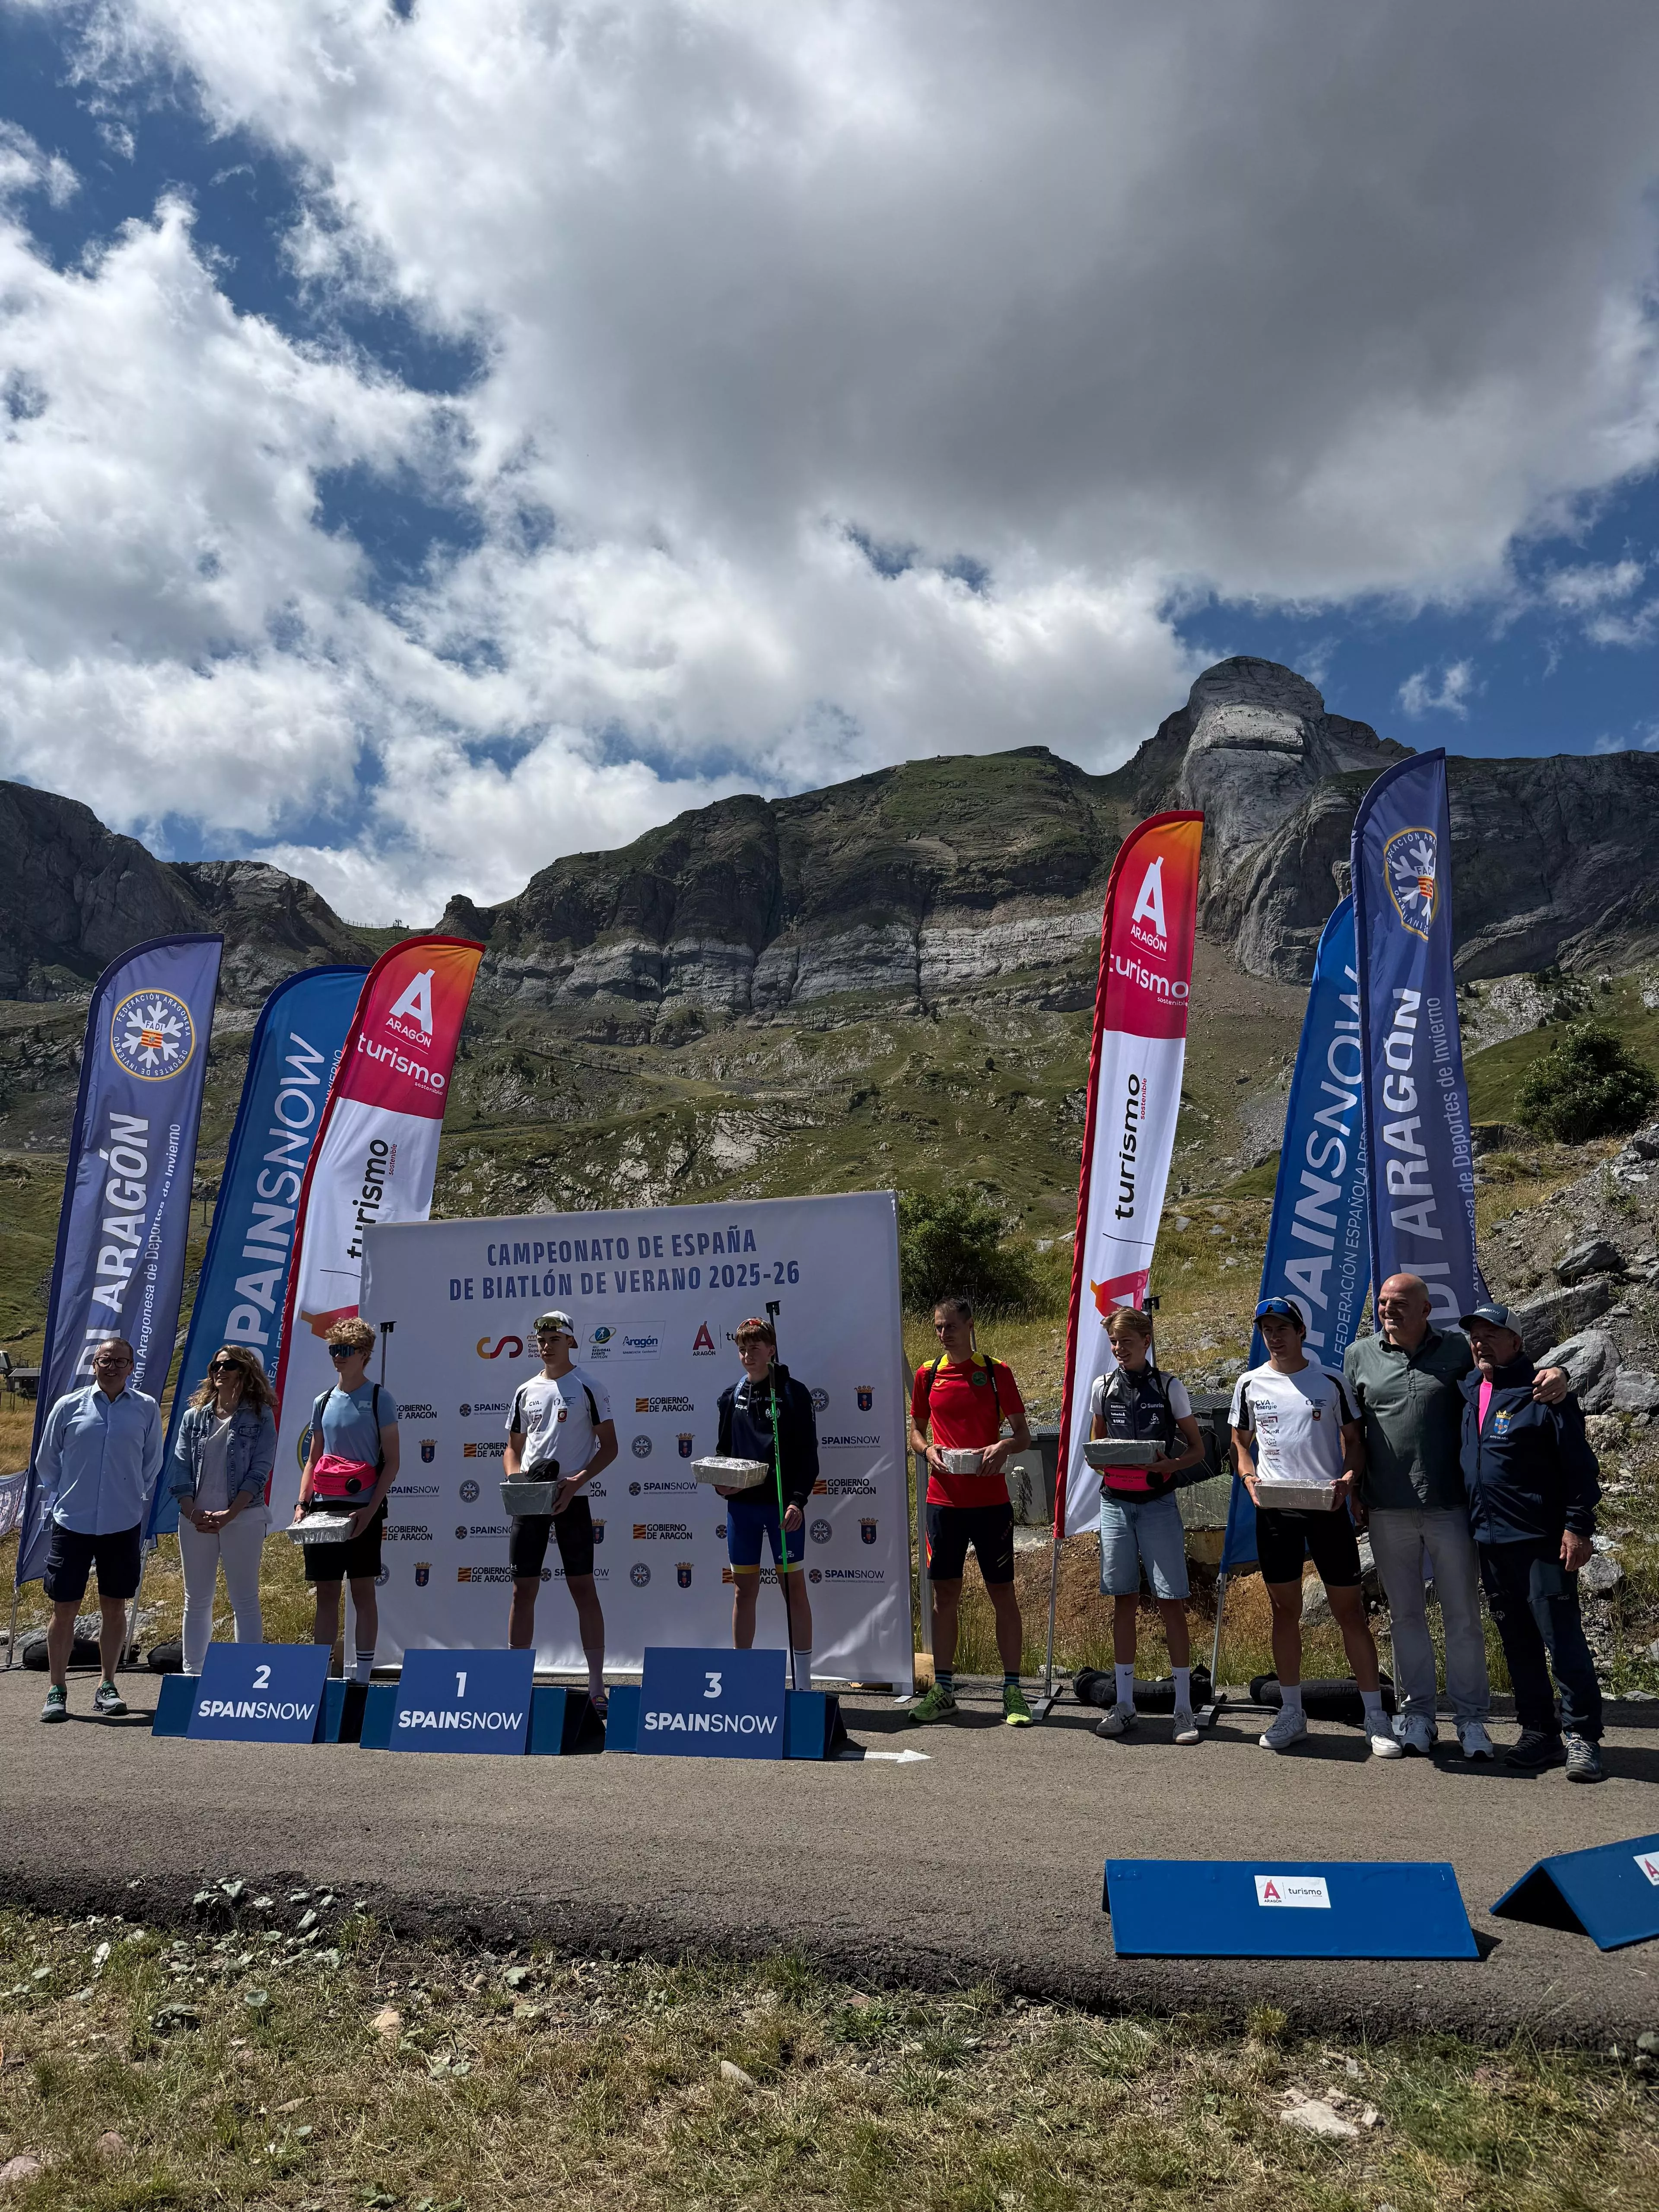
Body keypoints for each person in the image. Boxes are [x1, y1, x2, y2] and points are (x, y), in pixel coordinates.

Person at [1345, 1272, 1567, 1761]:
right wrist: (1352, 1485)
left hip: (1452, 1507)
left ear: (1426, 1309)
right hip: (1387, 1508)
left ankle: (1471, 1719)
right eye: (1383, 1302)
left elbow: (1503, 1373)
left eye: (1401, 1303)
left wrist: (1558, 1373)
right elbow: (1355, 1430)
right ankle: (1419, 1713)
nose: (1389, 1310)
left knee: (1463, 1616)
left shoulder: (1456, 1349)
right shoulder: (1358, 1355)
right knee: (1405, 1616)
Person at [1230, 1297, 1400, 1759]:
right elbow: (1239, 1442)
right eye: (1267, 1328)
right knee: (1284, 1610)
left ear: (1301, 1331)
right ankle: (1291, 1710)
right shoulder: (1249, 1383)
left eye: (1283, 1326)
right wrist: (1248, 1477)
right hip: (1276, 1508)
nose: (1275, 1335)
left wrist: (1349, 1478)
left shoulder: (1330, 1379)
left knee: (1350, 1611)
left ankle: (1375, 1715)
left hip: (1327, 1506)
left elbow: (1355, 1441)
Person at [1459, 1302, 1605, 1781]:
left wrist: (1578, 1524)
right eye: (1476, 1335)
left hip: (1542, 1540)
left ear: (1516, 1342)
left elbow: (1579, 1465)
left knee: (1561, 1640)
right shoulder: (1472, 1388)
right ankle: (1539, 1730)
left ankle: (1582, 1736)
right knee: (1518, 1643)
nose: (1482, 1342)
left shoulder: (1544, 1393)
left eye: (1492, 1334)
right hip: (1491, 1539)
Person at [907, 1295, 1035, 1727]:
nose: (944, 1334)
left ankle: (1013, 1689)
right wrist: (927, 1451)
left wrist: (1002, 1445)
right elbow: (916, 1431)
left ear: (970, 1325)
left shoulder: (995, 1371)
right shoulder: (928, 1373)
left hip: (990, 1501)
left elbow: (1023, 1435)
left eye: (951, 1327)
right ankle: (943, 1690)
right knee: (945, 1596)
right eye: (938, 1327)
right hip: (943, 1501)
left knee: (1003, 1592)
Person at [1086, 1306, 1208, 1745]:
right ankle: (1123, 1704)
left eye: (1127, 1342)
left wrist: (1168, 1466)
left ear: (1146, 1340)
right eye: (1114, 1343)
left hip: (1158, 1503)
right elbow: (1097, 1444)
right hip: (1116, 1503)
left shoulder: (1169, 1386)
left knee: (1171, 1600)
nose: (1120, 1349)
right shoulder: (1103, 1387)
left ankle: (1183, 1710)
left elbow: (1196, 1449)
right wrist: (1103, 1460)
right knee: (1123, 1599)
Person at [33, 1337, 162, 1723]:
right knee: (65, 1607)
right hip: (72, 1521)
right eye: (106, 1360)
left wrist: (130, 1495)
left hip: (122, 1522)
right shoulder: (68, 1406)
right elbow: (47, 1461)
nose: (112, 1367)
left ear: (130, 1367)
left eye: (121, 1361)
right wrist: (72, 1494)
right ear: (94, 1363)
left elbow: (150, 1462)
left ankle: (107, 1684)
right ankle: (57, 1689)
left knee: (115, 1607)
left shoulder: (146, 1408)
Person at [504, 1309, 617, 1713]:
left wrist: (576, 1483)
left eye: (554, 1338)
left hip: (573, 1498)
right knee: (523, 1590)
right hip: (531, 1499)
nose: (546, 1345)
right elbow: (514, 1447)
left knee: (583, 1588)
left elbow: (611, 1447)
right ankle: (513, 1682)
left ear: (571, 1341)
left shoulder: (589, 1386)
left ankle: (597, 1685)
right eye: (541, 1338)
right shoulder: (525, 1390)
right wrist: (516, 1479)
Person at [293, 1317, 400, 1682]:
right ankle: (319, 1677)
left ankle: (363, 1677)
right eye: (333, 1350)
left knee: (362, 1591)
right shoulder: (322, 1401)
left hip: (362, 1509)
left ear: (365, 1355)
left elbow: (394, 1461)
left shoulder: (379, 1398)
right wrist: (302, 1503)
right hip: (324, 1507)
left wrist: (371, 1511)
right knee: (325, 1592)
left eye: (345, 1351)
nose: (337, 1357)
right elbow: (313, 1458)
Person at [714, 1316, 817, 1686]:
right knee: (744, 1590)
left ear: (771, 1349)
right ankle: (741, 1676)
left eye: (755, 1348)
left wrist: (797, 1502)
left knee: (793, 1589)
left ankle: (803, 1682)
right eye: (742, 1349)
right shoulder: (731, 1395)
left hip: (782, 1510)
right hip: (742, 1509)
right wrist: (722, 1485)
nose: (747, 1356)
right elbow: (722, 1455)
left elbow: (809, 1456)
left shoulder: (793, 1393)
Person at [170, 1344, 276, 1675]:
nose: (220, 1371)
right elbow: (180, 1469)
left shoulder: (261, 1416)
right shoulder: (194, 1417)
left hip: (243, 1518)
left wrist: (230, 1514)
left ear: (244, 1372)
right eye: (215, 1365)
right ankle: (194, 1674)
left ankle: (246, 1675)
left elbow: (261, 1470)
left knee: (244, 1599)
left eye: (228, 1365)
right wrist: (191, 1512)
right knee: (197, 1600)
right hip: (195, 1520)